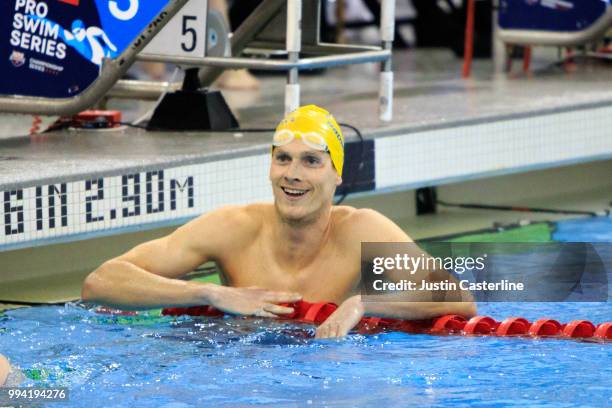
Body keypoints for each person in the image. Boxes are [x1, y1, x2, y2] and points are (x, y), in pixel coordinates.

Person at [82, 105, 476, 338]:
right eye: (282, 158)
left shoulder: (362, 231)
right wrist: (208, 294)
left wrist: (363, 302)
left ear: (337, 174)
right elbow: (100, 283)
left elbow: (460, 298)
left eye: (311, 161)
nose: (293, 174)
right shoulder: (233, 228)